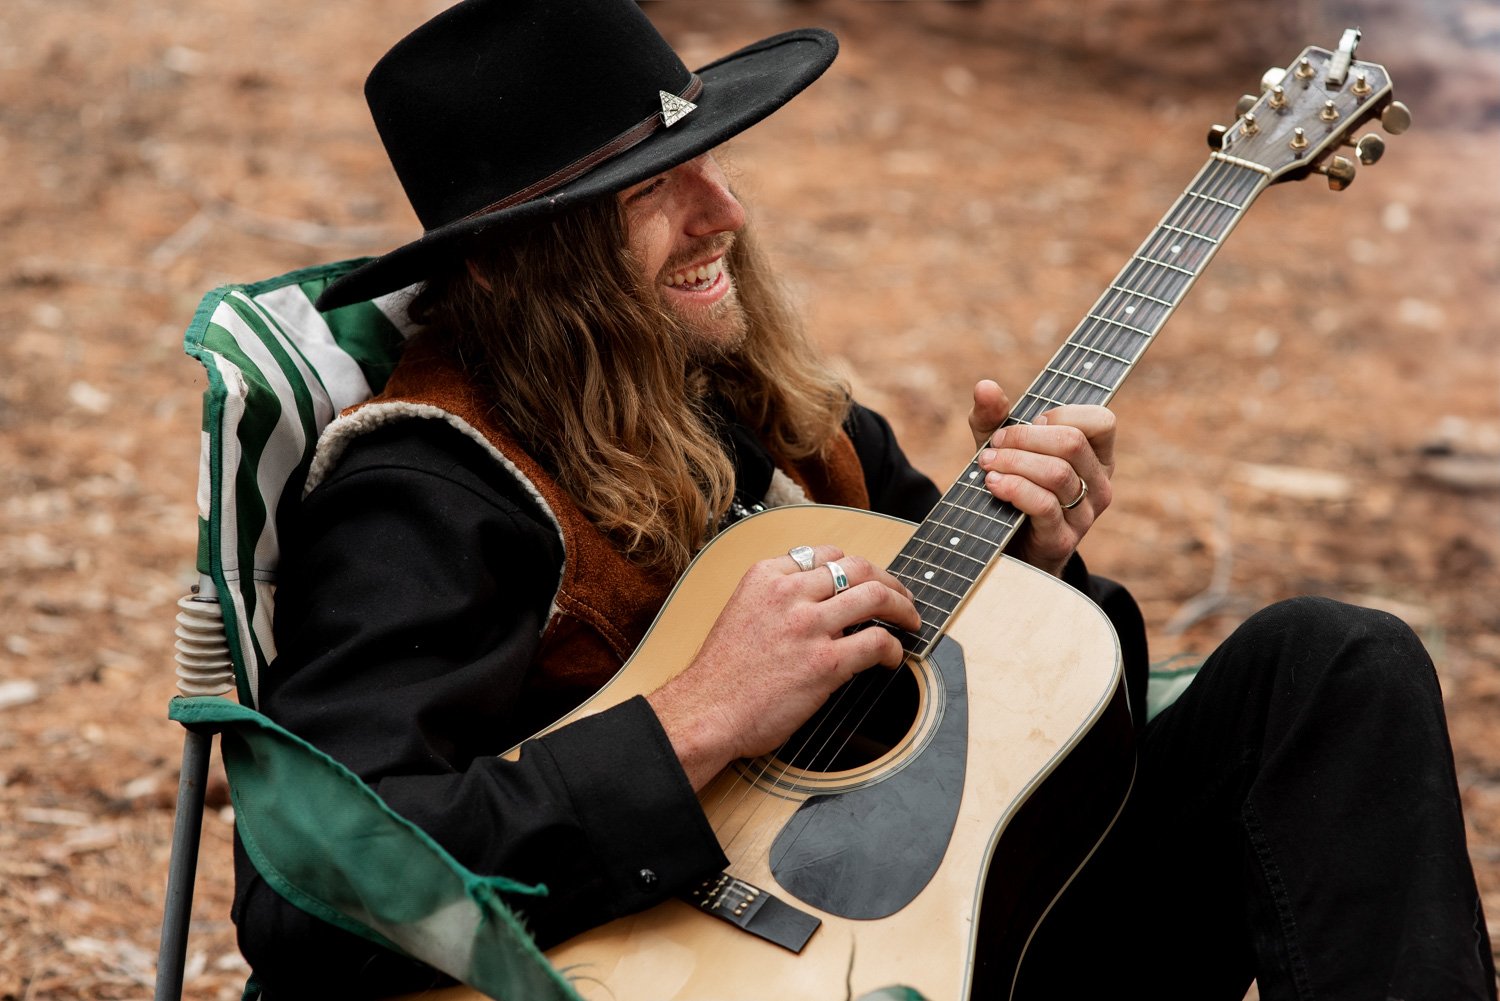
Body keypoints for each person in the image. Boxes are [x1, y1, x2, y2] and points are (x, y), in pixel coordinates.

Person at [230, 1, 1497, 998]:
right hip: (695, 966)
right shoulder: (430, 497)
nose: (723, 211)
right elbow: (311, 899)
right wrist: (690, 718)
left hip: (973, 924)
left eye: (713, 160)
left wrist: (1042, 568)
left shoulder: (775, 418)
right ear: (517, 266)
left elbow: (1019, 734)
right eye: (653, 190)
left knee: (1337, 661)